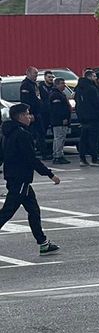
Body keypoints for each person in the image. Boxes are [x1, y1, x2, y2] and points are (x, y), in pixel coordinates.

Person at [0, 104, 61, 254]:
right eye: (27, 114)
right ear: (20, 117)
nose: (30, 117)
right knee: (7, 212)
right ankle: (43, 242)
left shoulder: (7, 133)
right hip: (20, 178)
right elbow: (31, 159)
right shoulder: (22, 134)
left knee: (34, 210)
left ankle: (43, 242)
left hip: (17, 178)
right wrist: (50, 174)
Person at [73, 70, 99, 167]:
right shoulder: (92, 88)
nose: (96, 78)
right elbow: (96, 103)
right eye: (94, 76)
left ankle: (82, 159)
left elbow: (77, 102)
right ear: (90, 77)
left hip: (83, 117)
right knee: (94, 139)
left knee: (83, 138)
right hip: (93, 117)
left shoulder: (79, 88)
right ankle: (94, 159)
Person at [18, 67, 46, 159]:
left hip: (38, 113)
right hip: (31, 114)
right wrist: (29, 114)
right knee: (31, 134)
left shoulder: (34, 84)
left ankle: (43, 152)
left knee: (41, 133)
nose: (36, 76)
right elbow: (25, 101)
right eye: (35, 74)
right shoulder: (25, 85)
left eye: (37, 74)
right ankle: (31, 152)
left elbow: (38, 98)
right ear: (28, 73)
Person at [45, 78, 71, 164]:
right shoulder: (55, 95)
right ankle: (58, 155)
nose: (64, 85)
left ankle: (58, 154)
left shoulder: (60, 94)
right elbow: (57, 109)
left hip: (58, 120)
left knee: (60, 138)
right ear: (57, 85)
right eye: (62, 83)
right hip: (58, 121)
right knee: (59, 138)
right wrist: (63, 118)